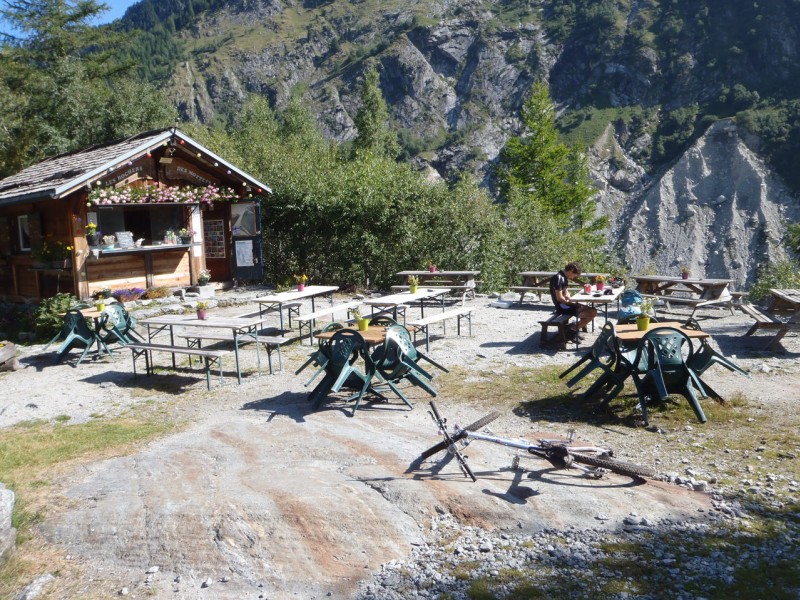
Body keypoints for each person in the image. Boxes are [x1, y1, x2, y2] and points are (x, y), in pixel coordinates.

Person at [549, 262, 597, 341]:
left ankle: (572, 330)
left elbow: (565, 290)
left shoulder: (564, 277)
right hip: (562, 306)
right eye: (575, 275)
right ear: (571, 271)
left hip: (566, 304)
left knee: (593, 312)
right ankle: (571, 331)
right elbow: (559, 298)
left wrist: (567, 294)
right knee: (591, 313)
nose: (574, 277)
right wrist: (574, 304)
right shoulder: (558, 278)